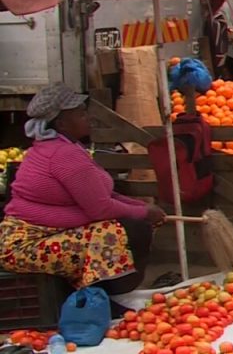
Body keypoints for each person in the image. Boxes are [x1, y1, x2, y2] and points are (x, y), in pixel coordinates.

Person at [0, 84, 165, 294]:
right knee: (120, 232)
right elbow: (100, 208)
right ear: (61, 123)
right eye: (80, 114)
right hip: (24, 246)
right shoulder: (63, 155)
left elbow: (101, 195)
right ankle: (101, 296)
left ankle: (97, 295)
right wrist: (144, 212)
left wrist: (139, 207)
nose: (87, 117)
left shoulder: (62, 148)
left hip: (35, 237)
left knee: (127, 223)